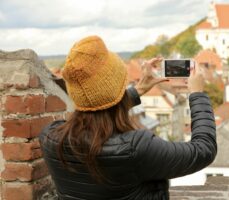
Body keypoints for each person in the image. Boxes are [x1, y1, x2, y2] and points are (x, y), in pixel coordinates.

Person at [39, 35, 217, 200]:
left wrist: (137, 91)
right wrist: (197, 94)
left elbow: (96, 106)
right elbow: (203, 150)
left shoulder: (50, 138)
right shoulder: (135, 148)